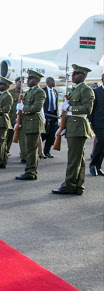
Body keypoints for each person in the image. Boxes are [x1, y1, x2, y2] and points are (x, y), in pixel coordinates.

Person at [52, 65, 95, 195]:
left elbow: (88, 109)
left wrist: (69, 108)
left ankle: (69, 185)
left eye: (76, 74)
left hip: (78, 127)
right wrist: (63, 127)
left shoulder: (86, 90)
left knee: (73, 159)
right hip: (72, 126)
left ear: (82, 75)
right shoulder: (73, 90)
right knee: (79, 160)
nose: (73, 76)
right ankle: (78, 186)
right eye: (73, 73)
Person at [15, 70, 46, 181]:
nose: (28, 80)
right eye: (28, 78)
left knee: (32, 149)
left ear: (37, 80)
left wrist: (23, 108)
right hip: (26, 122)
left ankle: (31, 172)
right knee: (28, 149)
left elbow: (36, 107)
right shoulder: (28, 92)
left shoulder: (39, 92)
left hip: (33, 122)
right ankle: (29, 170)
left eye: (31, 78)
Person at [8, 77, 27, 162]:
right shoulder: (11, 93)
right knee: (8, 137)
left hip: (20, 118)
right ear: (15, 82)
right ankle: (5, 152)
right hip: (11, 117)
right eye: (19, 82)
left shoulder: (25, 93)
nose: (21, 83)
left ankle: (24, 155)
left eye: (22, 82)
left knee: (22, 138)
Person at [89, 74, 104, 176]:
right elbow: (91, 109)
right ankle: (93, 164)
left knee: (103, 145)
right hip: (98, 122)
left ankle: (98, 166)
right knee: (102, 142)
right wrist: (90, 122)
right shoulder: (96, 92)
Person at [42, 77, 59, 158]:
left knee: (51, 135)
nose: (54, 83)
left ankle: (47, 151)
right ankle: (39, 151)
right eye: (52, 81)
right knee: (43, 134)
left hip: (53, 115)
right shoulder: (43, 91)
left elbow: (55, 105)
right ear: (48, 82)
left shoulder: (55, 92)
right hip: (45, 114)